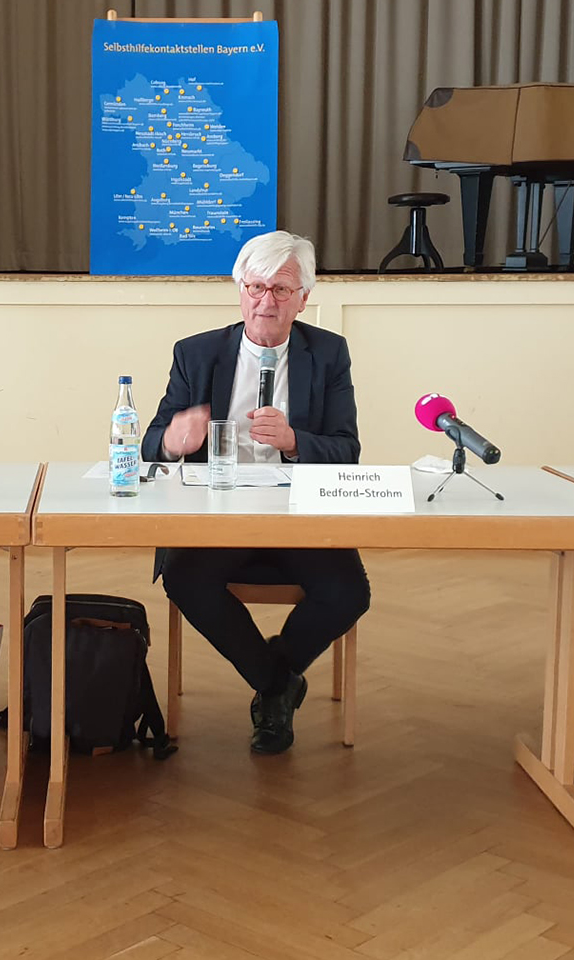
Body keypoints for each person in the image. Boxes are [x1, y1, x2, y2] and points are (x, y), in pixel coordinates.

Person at [141, 230, 370, 755]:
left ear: (304, 298)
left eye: (282, 290)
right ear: (239, 290)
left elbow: (346, 450)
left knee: (349, 593)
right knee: (183, 578)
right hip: (218, 511)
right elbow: (152, 442)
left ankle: (274, 677)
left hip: (300, 515)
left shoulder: (328, 354)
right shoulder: (196, 354)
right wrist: (174, 441)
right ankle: (275, 686)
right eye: (257, 287)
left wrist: (294, 443)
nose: (267, 301)